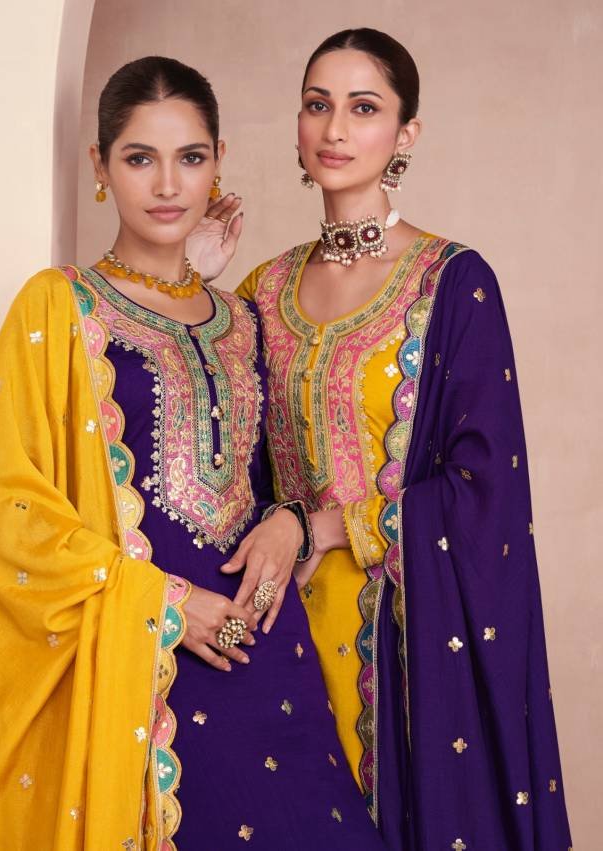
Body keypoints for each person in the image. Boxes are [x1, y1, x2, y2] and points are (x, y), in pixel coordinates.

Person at [0, 56, 384, 850]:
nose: (166, 184)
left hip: (268, 653)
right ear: (99, 166)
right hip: (150, 667)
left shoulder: (242, 319)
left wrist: (291, 520)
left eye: (189, 157)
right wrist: (164, 604)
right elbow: (2, 507)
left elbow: (280, 479)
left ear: (218, 161)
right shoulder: (59, 306)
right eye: (138, 158)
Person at [206, 28, 572, 850]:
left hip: (407, 647)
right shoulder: (261, 289)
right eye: (317, 105)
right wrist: (195, 285)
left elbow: (484, 490)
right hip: (281, 634)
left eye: (363, 108)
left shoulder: (452, 282)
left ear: (405, 134)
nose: (335, 128)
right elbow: (213, 450)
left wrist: (326, 525)